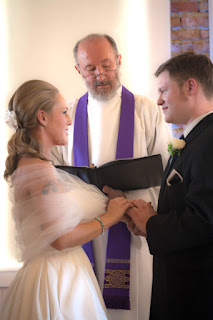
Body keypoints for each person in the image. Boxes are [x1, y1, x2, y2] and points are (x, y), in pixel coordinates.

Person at [51, 33, 172, 320]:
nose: (100, 75)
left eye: (106, 65)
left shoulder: (146, 109)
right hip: (83, 229)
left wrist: (136, 208)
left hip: (132, 229)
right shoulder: (67, 113)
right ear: (78, 70)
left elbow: (163, 170)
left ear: (118, 61)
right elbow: (54, 170)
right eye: (90, 68)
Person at [0, 79, 132, 320]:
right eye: (63, 112)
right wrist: (108, 218)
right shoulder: (40, 170)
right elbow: (60, 239)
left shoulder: (34, 166)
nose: (69, 120)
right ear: (42, 117)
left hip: (63, 272)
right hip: (55, 279)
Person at [127, 51, 213, 320]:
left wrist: (153, 223)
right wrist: (147, 223)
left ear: (190, 86)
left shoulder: (209, 141)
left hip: (197, 293)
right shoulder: (196, 138)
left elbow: (205, 220)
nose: (159, 100)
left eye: (164, 90)